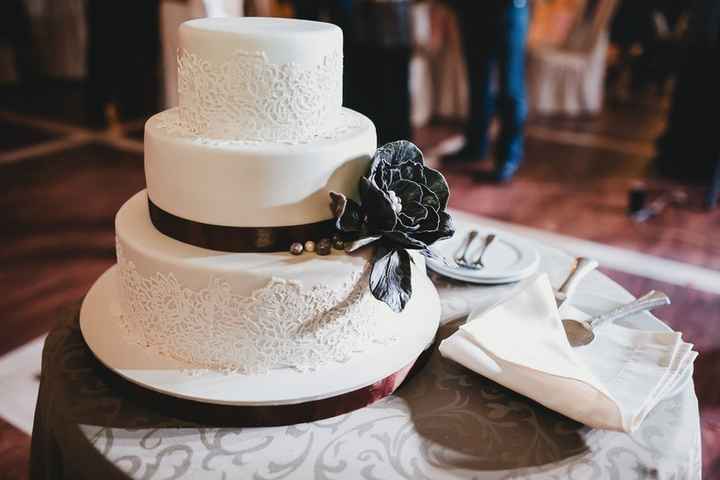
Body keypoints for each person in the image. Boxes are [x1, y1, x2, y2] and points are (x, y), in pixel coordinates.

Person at [444, 0, 530, 183]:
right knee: (478, 85)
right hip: (472, 10)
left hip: (508, 9)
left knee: (510, 88)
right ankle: (475, 147)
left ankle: (508, 157)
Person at [344, 0, 413, 144]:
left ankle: (396, 149)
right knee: (367, 90)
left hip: (390, 26)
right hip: (364, 29)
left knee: (393, 90)